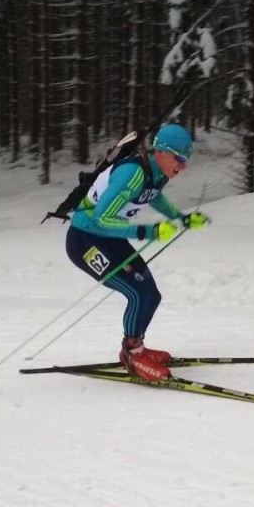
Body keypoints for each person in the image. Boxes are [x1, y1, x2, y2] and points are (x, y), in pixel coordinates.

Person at [65, 123, 210, 381]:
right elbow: (100, 219)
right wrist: (149, 232)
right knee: (139, 293)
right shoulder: (131, 173)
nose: (183, 166)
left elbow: (152, 196)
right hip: (85, 241)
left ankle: (135, 346)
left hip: (110, 238)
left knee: (151, 294)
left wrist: (180, 218)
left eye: (185, 160)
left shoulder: (156, 173)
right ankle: (133, 354)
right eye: (179, 159)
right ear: (162, 152)